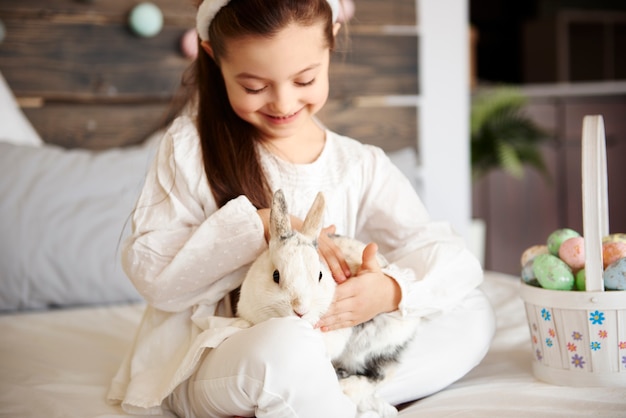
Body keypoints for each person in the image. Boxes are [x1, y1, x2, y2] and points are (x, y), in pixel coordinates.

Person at [107, 0, 496, 417]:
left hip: (335, 351)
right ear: (213, 57)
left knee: (473, 313)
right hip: (229, 355)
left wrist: (391, 291)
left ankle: (331, 393)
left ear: (333, 43)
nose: (282, 102)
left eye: (305, 79)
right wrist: (257, 226)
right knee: (286, 347)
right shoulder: (189, 149)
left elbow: (447, 254)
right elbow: (154, 277)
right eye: (254, 87)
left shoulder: (358, 165)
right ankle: (312, 392)